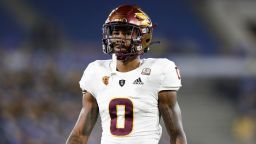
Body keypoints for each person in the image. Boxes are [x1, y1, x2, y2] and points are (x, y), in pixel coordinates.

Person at [66, 4, 187, 144]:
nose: (118, 38)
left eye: (126, 33)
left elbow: (177, 134)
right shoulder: (96, 71)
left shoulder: (159, 71)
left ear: (143, 36)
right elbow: (79, 135)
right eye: (115, 32)